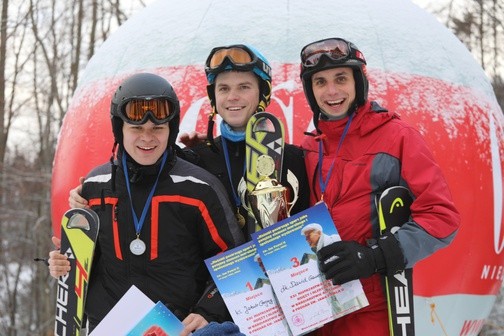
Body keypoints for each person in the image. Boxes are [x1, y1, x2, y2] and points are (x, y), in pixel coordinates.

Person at [48, 73, 244, 335]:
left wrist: (208, 311)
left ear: (170, 129)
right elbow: (86, 261)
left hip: (175, 328)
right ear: (120, 130)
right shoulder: (95, 186)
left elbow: (233, 258)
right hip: (108, 327)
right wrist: (63, 264)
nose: (147, 138)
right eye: (136, 128)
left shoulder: (199, 188)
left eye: (158, 129)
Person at [298, 37, 460, 336]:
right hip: (312, 310)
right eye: (320, 82)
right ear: (311, 91)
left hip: (372, 309)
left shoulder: (397, 137)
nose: (331, 91)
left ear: (360, 82)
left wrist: (374, 256)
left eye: (341, 79)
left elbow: (441, 217)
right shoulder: (307, 147)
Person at [69, 44, 310, 239]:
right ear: (213, 97)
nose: (232, 97)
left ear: (263, 92)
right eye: (223, 88)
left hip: (281, 281)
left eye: (244, 87)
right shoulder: (195, 158)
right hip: (213, 289)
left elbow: (313, 227)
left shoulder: (294, 160)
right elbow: (138, 177)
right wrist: (87, 192)